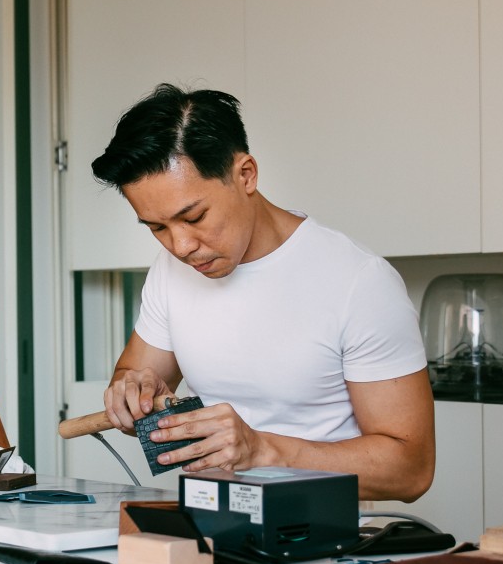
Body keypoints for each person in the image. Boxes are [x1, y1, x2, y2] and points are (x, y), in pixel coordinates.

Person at [91, 84, 434, 502]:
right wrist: (133, 395)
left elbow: (412, 470)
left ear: (246, 175)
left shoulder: (359, 281)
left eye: (194, 217)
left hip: (326, 534)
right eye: (158, 227)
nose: (180, 246)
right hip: (208, 523)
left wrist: (264, 450)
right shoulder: (171, 271)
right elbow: (134, 376)